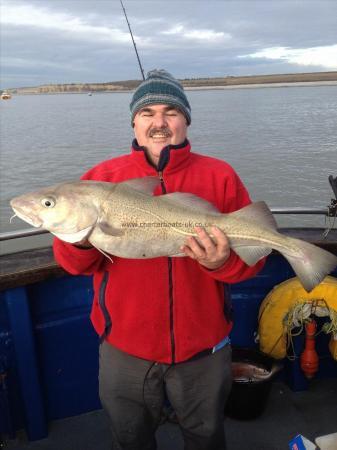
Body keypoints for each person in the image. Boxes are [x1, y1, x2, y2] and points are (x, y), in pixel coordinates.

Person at [53, 69, 265, 450]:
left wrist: (220, 263)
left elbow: (252, 262)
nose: (159, 122)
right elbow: (73, 265)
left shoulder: (220, 175)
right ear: (134, 121)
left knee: (206, 437)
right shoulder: (99, 179)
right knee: (130, 439)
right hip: (124, 348)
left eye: (170, 111)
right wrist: (83, 242)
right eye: (148, 112)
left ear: (185, 119)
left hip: (204, 348)